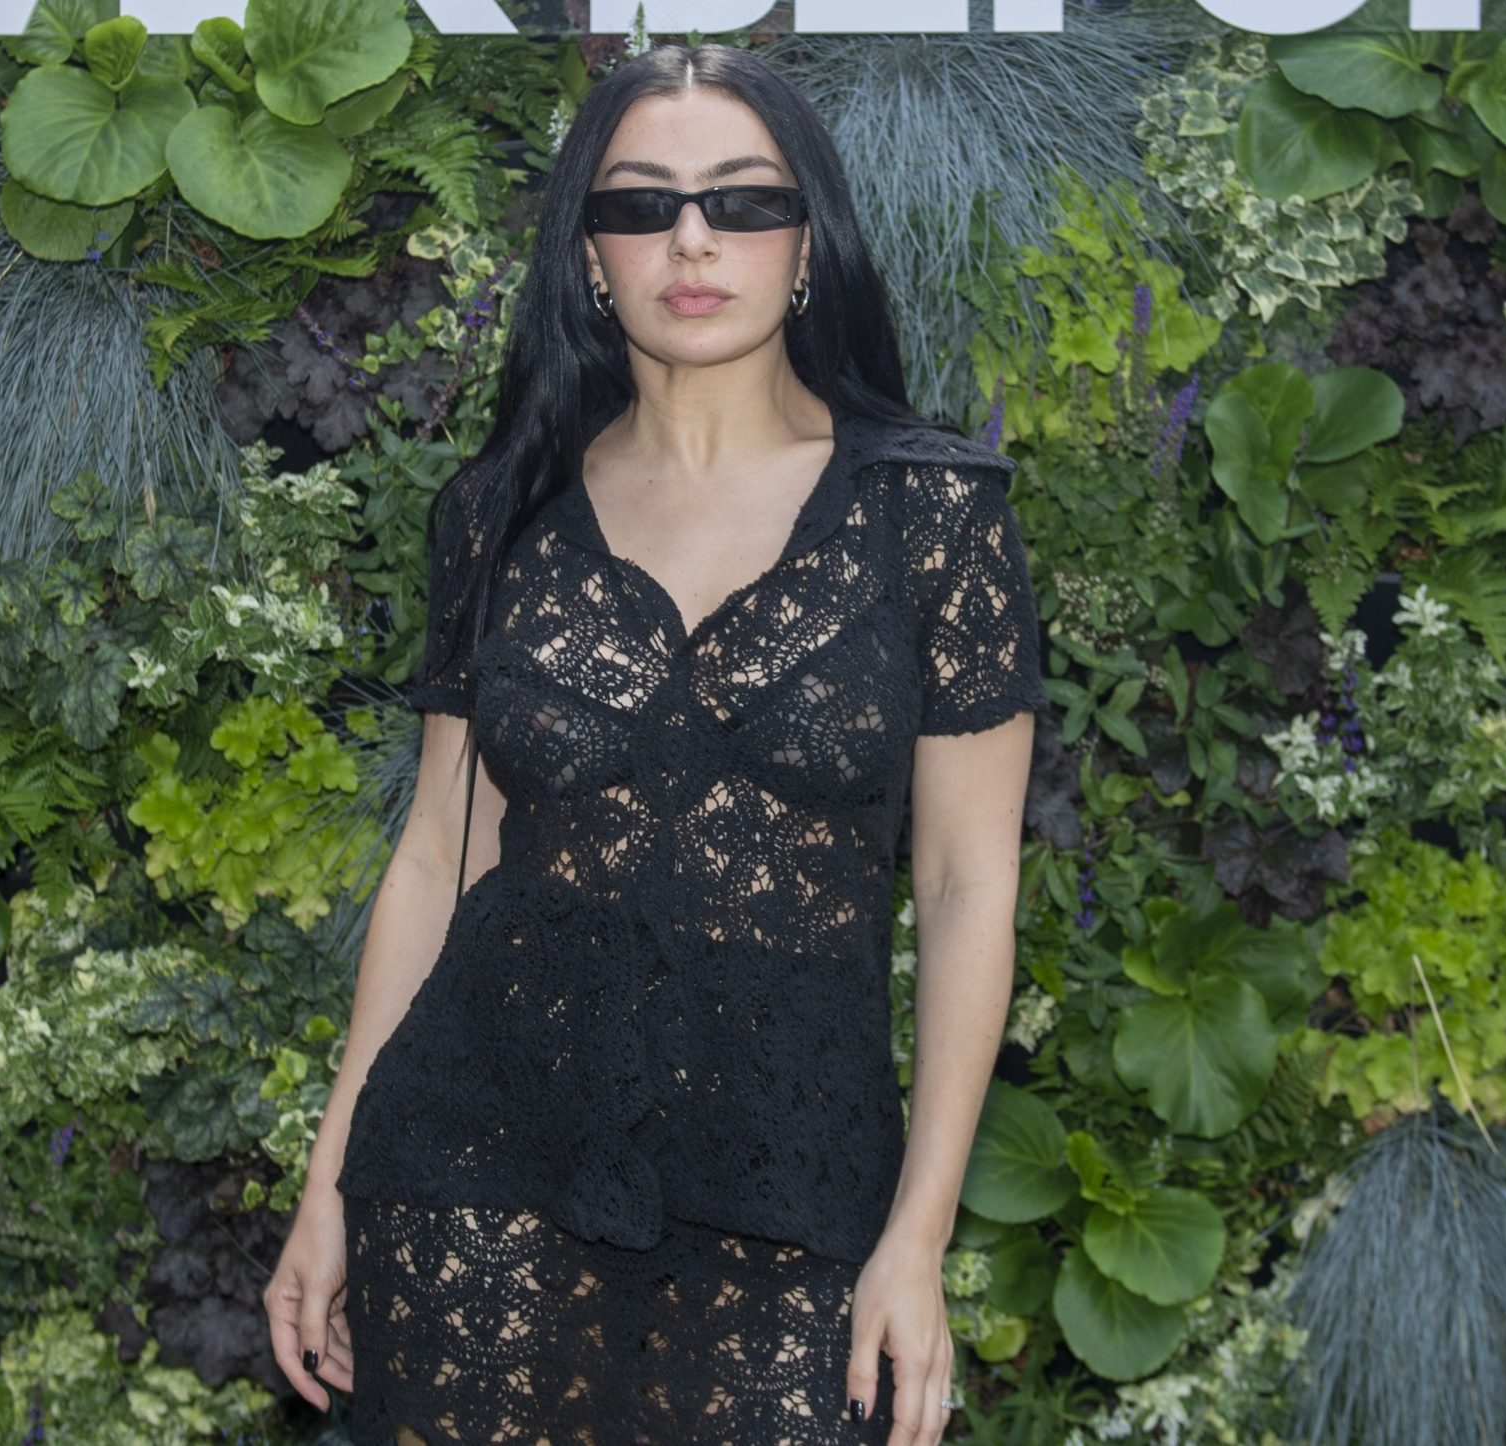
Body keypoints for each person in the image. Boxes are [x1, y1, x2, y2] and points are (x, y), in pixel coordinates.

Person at [263, 39, 1044, 1446]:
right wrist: (327, 1188)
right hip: (470, 1165)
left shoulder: (932, 514)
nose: (693, 238)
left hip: (797, 1186)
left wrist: (918, 1236)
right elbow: (437, 861)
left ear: (809, 243)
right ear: (589, 254)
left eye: (743, 201)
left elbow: (970, 884)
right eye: (642, 205)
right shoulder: (499, 515)